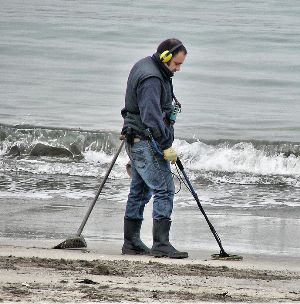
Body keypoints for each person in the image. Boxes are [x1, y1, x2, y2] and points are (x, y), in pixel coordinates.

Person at [120, 38, 188, 259]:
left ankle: (131, 242)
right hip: (146, 141)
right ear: (165, 57)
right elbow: (150, 116)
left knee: (139, 191)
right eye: (176, 64)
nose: (178, 69)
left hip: (136, 139)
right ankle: (161, 243)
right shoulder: (151, 77)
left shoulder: (148, 67)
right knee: (165, 189)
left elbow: (132, 106)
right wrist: (166, 145)